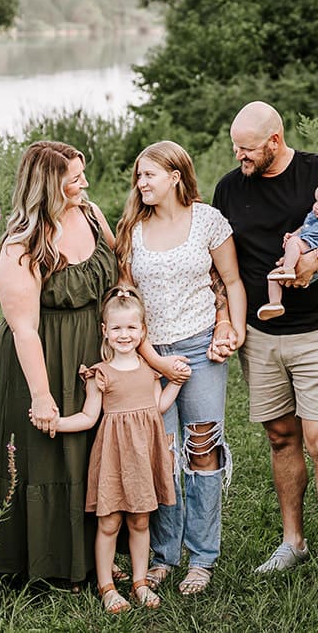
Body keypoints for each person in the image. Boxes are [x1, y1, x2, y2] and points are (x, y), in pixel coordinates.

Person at [212, 102, 318, 602]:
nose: (239, 156)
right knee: (281, 438)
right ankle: (293, 542)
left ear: (274, 139)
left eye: (247, 149)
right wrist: (225, 314)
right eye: (235, 148)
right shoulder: (229, 188)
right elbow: (222, 263)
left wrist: (312, 261)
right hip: (260, 335)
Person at [111, 140, 247, 596]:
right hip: (150, 354)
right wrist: (152, 359)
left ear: (175, 176)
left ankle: (203, 557)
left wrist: (231, 328)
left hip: (201, 348)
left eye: (148, 174)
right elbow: (126, 303)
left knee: (203, 447)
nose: (140, 182)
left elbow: (230, 280)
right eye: (138, 175)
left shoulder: (208, 220)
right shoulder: (132, 228)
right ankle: (166, 554)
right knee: (163, 454)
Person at [0, 141, 114, 588]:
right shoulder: (22, 245)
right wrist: (42, 396)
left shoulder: (92, 215)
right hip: (38, 357)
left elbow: (119, 273)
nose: (84, 184)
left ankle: (95, 558)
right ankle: (41, 565)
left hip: (88, 352)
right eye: (75, 178)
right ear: (48, 184)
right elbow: (24, 330)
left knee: (89, 453)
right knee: (43, 456)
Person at [46, 287, 182, 615]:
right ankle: (106, 585)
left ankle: (139, 582)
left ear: (143, 331)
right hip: (113, 458)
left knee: (140, 521)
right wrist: (57, 423)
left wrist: (176, 382)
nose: (124, 335)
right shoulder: (100, 374)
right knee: (109, 523)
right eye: (117, 328)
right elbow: (89, 417)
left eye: (131, 328)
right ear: (105, 331)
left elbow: (158, 407)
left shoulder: (150, 371)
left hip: (143, 457)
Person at [259, 176, 318, 321]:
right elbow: (304, 229)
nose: (316, 206)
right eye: (316, 201)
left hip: (313, 251)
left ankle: (289, 270)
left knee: (294, 243)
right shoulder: (317, 215)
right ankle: (275, 303)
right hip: (304, 246)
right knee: (273, 276)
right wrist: (292, 235)